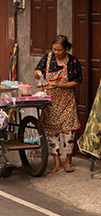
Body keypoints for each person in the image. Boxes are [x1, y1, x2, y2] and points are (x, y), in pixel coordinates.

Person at [35, 35, 82, 176]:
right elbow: (37, 72)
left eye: (59, 50)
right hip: (50, 102)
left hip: (66, 102)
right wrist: (38, 74)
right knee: (52, 133)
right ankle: (57, 164)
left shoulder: (73, 62)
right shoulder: (47, 58)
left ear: (66, 49)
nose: (56, 52)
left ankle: (68, 161)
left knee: (68, 132)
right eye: (54, 49)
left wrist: (60, 85)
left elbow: (77, 82)